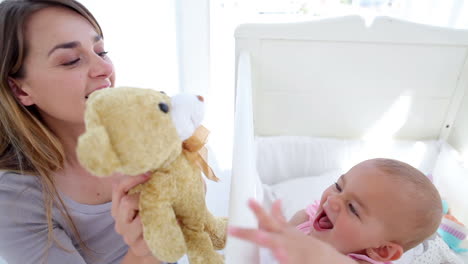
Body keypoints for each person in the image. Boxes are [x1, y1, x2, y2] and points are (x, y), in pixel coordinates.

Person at [0, 0, 169, 263]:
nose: (105, 70)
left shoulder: (139, 136)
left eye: (101, 52)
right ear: (20, 90)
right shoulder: (14, 201)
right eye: (71, 60)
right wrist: (143, 252)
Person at [229, 158, 443, 264]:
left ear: (381, 251)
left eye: (352, 208)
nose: (333, 200)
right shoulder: (313, 217)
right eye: (339, 186)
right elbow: (295, 224)